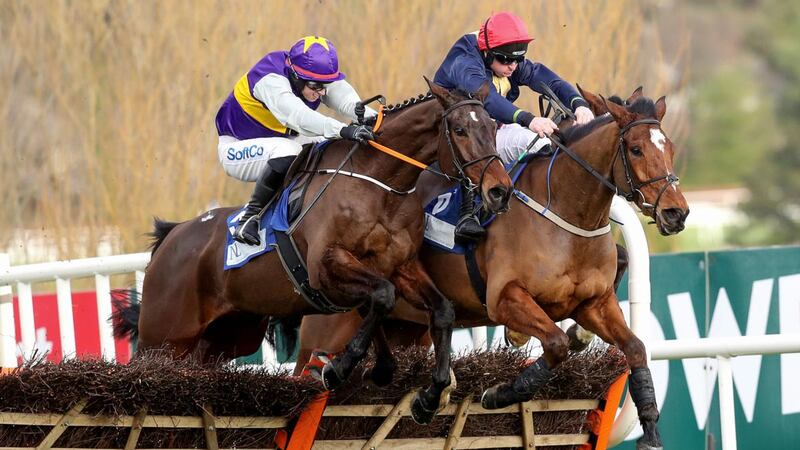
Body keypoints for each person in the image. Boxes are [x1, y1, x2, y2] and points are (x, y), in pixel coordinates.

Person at [433, 12, 595, 243]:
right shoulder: (465, 62)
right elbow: (488, 100)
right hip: (455, 138)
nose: (512, 66)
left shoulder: (506, 58)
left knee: (547, 140)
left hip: (485, 131)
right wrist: (529, 119)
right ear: (487, 52)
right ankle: (469, 212)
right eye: (505, 60)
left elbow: (549, 80)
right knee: (536, 140)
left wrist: (578, 104)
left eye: (517, 60)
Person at [216, 36, 376, 246]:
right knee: (288, 150)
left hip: (282, 137)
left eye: (325, 85)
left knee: (332, 146)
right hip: (237, 147)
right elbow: (299, 117)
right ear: (295, 76)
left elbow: (348, 102)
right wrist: (345, 129)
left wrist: (373, 118)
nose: (322, 92)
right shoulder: (270, 80)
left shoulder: (312, 79)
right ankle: (250, 218)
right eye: (316, 86)